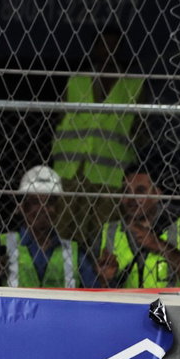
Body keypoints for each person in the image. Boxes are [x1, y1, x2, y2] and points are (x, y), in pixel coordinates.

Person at [52, 28, 144, 247]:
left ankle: (94, 278)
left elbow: (141, 130)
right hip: (71, 171)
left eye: (113, 46)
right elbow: (58, 119)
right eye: (104, 45)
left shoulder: (134, 85)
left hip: (111, 175)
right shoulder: (77, 80)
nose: (108, 51)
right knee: (63, 231)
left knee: (102, 237)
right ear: (95, 49)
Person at [0, 165, 99, 288]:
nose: (43, 208)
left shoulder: (74, 253)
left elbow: (96, 295)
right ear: (22, 207)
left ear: (58, 209)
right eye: (35, 202)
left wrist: (105, 281)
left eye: (49, 202)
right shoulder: (0, 246)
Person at [93, 168, 180, 287]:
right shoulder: (108, 232)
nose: (131, 198)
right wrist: (103, 278)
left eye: (140, 191)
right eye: (126, 191)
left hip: (166, 304)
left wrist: (160, 246)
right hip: (125, 304)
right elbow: (88, 282)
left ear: (156, 194)